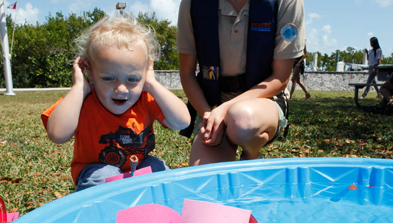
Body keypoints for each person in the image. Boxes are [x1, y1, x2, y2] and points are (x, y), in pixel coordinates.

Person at [40, 15, 189, 191]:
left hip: (139, 167)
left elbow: (183, 122)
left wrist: (152, 84)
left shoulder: (146, 98)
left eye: (133, 79)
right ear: (90, 71)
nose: (121, 89)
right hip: (96, 170)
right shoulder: (82, 102)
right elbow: (57, 134)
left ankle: (159, 210)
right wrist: (79, 87)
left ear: (146, 71)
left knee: (158, 169)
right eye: (109, 78)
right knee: (106, 175)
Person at [177, 0, 305, 165]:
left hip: (264, 102)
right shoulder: (192, 3)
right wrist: (209, 116)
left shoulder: (287, 2)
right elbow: (187, 73)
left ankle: (251, 156)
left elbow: (280, 78)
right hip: (213, 105)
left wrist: (226, 110)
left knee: (240, 119)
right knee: (206, 181)